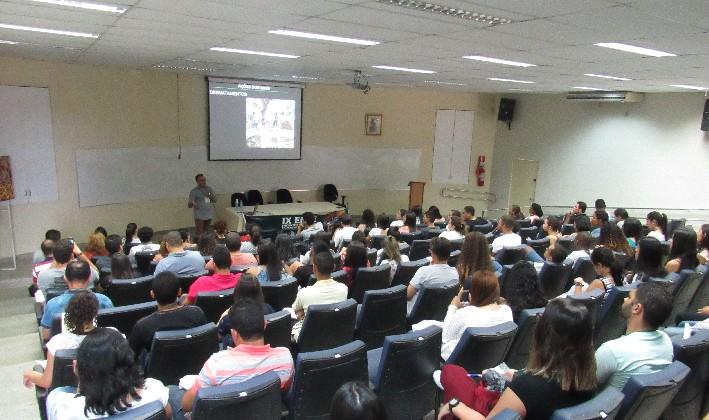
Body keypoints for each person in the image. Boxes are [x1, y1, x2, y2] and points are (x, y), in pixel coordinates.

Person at [438, 299, 596, 419]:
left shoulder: (528, 387)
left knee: (452, 372)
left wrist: (455, 405)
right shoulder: (588, 379)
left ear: (545, 336)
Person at [169, 299, 294, 420]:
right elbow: (283, 390)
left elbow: (187, 405)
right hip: (263, 414)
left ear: (234, 333)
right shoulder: (285, 358)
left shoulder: (216, 365)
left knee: (171, 391)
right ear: (265, 325)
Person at [46, 328, 171, 419]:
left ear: (80, 369)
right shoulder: (155, 390)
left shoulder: (66, 409)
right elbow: (167, 415)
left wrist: (81, 383)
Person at [596, 282, 673, 389]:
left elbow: (582, 385)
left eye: (629, 297)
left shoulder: (612, 350)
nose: (625, 300)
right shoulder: (667, 340)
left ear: (637, 308)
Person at [24, 292, 98, 389]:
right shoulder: (114, 335)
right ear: (96, 313)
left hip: (67, 396)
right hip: (106, 394)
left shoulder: (57, 342)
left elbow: (46, 382)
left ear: (69, 315)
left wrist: (28, 374)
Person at [130, 271, 207, 361]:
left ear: (152, 294)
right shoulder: (197, 313)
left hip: (157, 372)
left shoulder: (142, 326)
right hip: (195, 366)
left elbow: (130, 357)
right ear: (179, 292)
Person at [440, 271, 513, 360]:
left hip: (455, 362)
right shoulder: (506, 311)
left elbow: (445, 337)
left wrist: (453, 307)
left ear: (473, 293)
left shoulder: (466, 313)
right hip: (487, 361)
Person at [40, 260, 113, 341]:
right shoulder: (104, 300)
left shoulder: (52, 305)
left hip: (65, 350)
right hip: (100, 348)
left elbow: (46, 336)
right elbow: (110, 328)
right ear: (89, 278)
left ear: (65, 278)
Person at [291, 251, 348, 339]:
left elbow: (295, 311)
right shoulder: (344, 288)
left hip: (310, 337)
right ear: (334, 267)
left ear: (314, 268)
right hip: (335, 334)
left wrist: (304, 312)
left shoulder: (304, 293)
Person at [218, 274, 275, 346]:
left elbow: (219, 335)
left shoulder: (229, 317)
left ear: (237, 292)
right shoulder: (269, 308)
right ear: (259, 291)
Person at [407, 237, 458, 313]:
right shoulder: (456, 273)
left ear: (432, 254)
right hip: (441, 314)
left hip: (417, 315)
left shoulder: (423, 271)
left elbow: (408, 295)